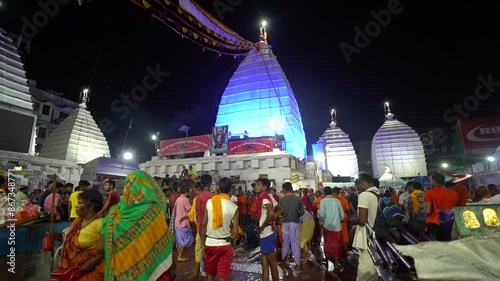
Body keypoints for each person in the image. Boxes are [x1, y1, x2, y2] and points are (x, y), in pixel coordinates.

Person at [102, 170, 175, 281]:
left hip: (123, 272)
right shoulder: (154, 212)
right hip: (154, 271)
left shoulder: (114, 213)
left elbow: (100, 247)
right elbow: (165, 242)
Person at [52, 189, 105, 280]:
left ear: (91, 206)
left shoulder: (101, 223)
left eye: (80, 203)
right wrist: (61, 238)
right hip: (72, 268)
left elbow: (108, 249)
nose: (76, 206)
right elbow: (72, 242)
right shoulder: (78, 221)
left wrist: (95, 261)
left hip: (91, 269)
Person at [201, 177, 239, 281]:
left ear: (218, 188)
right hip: (225, 246)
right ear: (230, 189)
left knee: (211, 275)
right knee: (222, 277)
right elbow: (236, 232)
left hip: (210, 244)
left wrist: (202, 245)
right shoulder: (233, 207)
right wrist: (228, 226)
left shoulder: (210, 202)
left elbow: (203, 225)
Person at [181, 174, 214, 281]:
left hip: (201, 228)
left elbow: (197, 215)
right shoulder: (214, 197)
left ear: (200, 184)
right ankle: (209, 274)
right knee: (210, 252)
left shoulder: (198, 198)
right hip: (213, 228)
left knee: (199, 250)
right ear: (211, 183)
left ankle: (197, 272)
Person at [352, 173, 379, 281]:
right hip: (379, 237)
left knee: (364, 274)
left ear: (362, 184)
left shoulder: (364, 195)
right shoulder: (379, 194)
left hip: (368, 239)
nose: (357, 189)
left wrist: (354, 219)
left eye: (358, 187)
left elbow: (362, 220)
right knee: (374, 271)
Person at [255, 178, 283, 281]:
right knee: (264, 263)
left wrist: (263, 226)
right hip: (268, 231)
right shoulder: (270, 197)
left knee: (272, 263)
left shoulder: (265, 199)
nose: (256, 187)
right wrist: (273, 219)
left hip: (266, 232)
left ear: (264, 187)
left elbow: (271, 213)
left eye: (258, 185)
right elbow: (280, 209)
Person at [424, 173, 459, 241]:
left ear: (434, 181)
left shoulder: (429, 192)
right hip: (450, 223)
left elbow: (427, 211)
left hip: (435, 224)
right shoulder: (453, 193)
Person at [318, 186, 345, 271]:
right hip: (337, 226)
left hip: (327, 226)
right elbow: (342, 215)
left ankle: (328, 258)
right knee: (337, 244)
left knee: (328, 242)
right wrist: (338, 220)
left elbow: (321, 214)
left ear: (324, 193)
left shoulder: (323, 201)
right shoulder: (337, 201)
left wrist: (322, 220)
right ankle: (336, 262)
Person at [279, 182, 304, 271]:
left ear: (285, 189)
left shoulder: (282, 200)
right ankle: (298, 266)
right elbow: (303, 212)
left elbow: (280, 212)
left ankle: (284, 264)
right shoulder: (298, 199)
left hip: (285, 223)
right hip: (296, 223)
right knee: (296, 243)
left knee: (285, 243)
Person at [173, 186, 194, 262]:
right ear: (186, 192)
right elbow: (190, 210)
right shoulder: (185, 199)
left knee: (179, 240)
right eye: (189, 192)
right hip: (183, 222)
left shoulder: (178, 199)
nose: (190, 194)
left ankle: (180, 255)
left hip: (177, 222)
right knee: (184, 240)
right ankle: (180, 256)